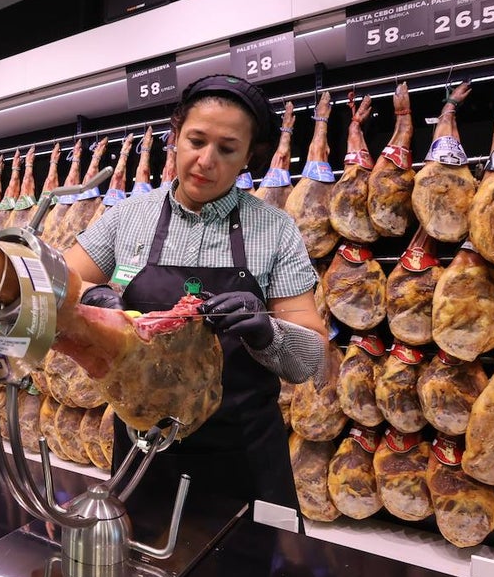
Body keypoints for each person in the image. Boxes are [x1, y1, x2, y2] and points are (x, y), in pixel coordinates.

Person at [63, 74, 328, 509]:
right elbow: (61, 284)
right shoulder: (128, 216)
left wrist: (268, 334)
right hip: (143, 448)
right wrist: (93, 297)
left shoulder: (276, 229)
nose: (206, 161)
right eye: (196, 141)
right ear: (175, 138)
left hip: (243, 451)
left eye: (227, 150)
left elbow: (311, 360)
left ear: (249, 158)